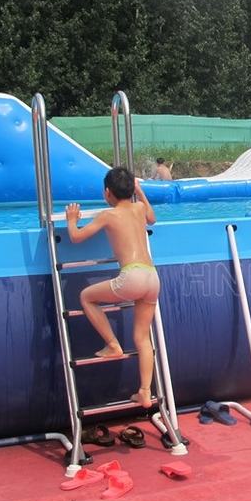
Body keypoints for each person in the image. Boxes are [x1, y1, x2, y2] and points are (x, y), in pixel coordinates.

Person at [65, 166, 160, 410]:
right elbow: (152, 218)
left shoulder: (108, 215)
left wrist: (72, 220)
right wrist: (140, 192)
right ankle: (145, 392)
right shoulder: (139, 208)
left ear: (107, 192)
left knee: (86, 297)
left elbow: (76, 237)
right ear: (132, 189)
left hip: (132, 276)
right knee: (142, 338)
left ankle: (113, 344)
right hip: (152, 277)